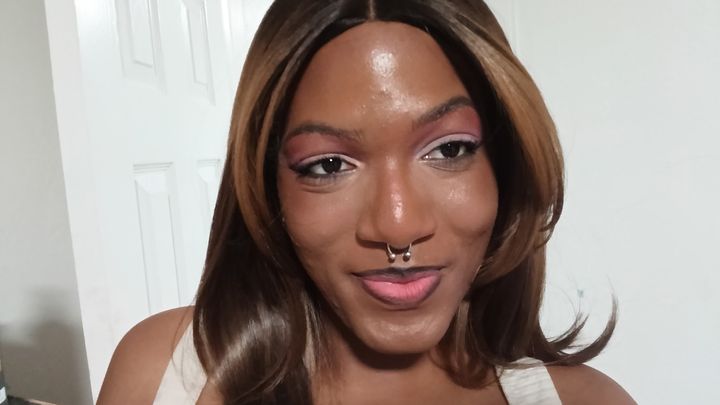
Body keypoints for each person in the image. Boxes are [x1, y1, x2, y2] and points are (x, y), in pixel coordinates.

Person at [98, 0, 636, 404]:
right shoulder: (164, 375)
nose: (398, 226)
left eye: (449, 150)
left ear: (507, 168)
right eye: (329, 165)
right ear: (267, 187)